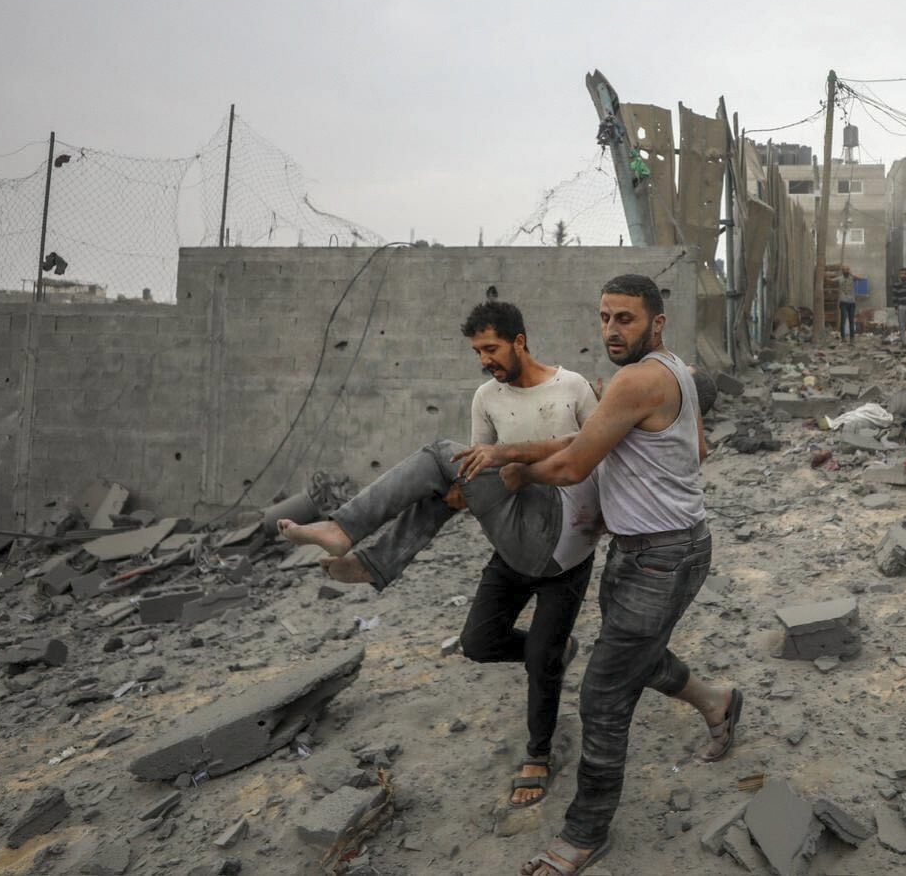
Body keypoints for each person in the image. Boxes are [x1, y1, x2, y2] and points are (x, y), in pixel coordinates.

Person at [279, 301, 600, 809]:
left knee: (437, 456)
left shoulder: (572, 387)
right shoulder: (486, 398)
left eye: (491, 349)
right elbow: (474, 473)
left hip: (563, 529)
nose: (484, 360)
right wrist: (461, 491)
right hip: (514, 539)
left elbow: (594, 449)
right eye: (477, 352)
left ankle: (538, 754)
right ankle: (368, 555)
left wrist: (507, 458)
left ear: (519, 341)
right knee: (478, 641)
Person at [509, 274, 740, 876]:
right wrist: (514, 452)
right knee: (637, 658)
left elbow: (572, 465)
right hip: (652, 550)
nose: (611, 329)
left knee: (603, 696)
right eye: (605, 317)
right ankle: (717, 702)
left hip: (660, 556)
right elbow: (696, 450)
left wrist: (515, 476)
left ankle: (585, 832)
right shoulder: (676, 370)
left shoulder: (636, 380)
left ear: (656, 323)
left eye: (625, 319)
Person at [837, 266, 857, 342]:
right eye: (844, 270)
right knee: (843, 320)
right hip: (843, 303)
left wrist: (852, 274)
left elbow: (862, 279)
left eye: (847, 270)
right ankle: (843, 338)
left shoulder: (852, 278)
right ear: (842, 271)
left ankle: (852, 338)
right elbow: (831, 280)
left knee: (851, 321)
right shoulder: (840, 278)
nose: (846, 271)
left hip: (852, 303)